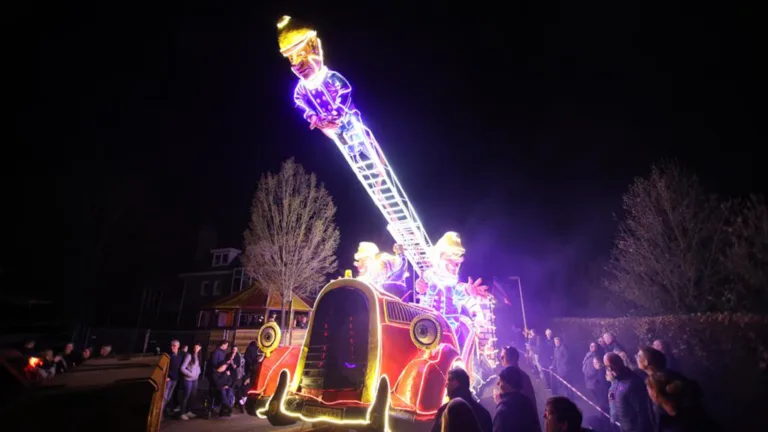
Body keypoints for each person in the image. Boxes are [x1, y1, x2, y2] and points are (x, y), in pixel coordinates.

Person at [646, 372, 719, 431]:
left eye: (648, 389)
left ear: (655, 394)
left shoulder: (684, 423)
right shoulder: (664, 412)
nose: (648, 392)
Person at [604, 353, 652, 432]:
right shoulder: (617, 382)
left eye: (609, 366)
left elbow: (642, 411)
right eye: (607, 367)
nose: (609, 369)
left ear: (617, 363)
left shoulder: (633, 382)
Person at [493, 366, 541, 432]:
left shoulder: (503, 410)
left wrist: (500, 404)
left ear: (509, 384)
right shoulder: (526, 401)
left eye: (501, 381)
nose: (498, 384)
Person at [500, 346, 537, 415]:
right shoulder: (524, 375)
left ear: (512, 358)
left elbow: (513, 404)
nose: (501, 359)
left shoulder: (512, 376)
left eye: (503, 356)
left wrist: (500, 401)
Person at [209, 340, 234, 417]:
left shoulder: (222, 353)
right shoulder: (216, 352)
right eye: (226, 345)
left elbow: (228, 380)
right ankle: (227, 407)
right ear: (223, 345)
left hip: (222, 374)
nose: (226, 347)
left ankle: (225, 408)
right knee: (223, 391)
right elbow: (214, 364)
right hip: (217, 377)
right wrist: (220, 370)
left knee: (229, 390)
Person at [179, 342, 202, 420]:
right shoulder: (189, 356)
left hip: (195, 379)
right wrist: (190, 374)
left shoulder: (199, 356)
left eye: (198, 347)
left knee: (193, 396)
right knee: (186, 395)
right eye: (195, 347)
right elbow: (182, 368)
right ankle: (182, 413)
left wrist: (198, 373)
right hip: (188, 379)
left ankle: (189, 411)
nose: (196, 349)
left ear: (200, 348)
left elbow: (198, 367)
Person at [162, 340, 183, 416]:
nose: (172, 347)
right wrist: (167, 376)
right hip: (169, 379)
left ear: (178, 346)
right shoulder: (169, 356)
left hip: (175, 379)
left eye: (174, 345)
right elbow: (165, 367)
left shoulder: (179, 357)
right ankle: (160, 414)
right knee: (164, 396)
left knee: (168, 397)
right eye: (171, 345)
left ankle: (163, 412)